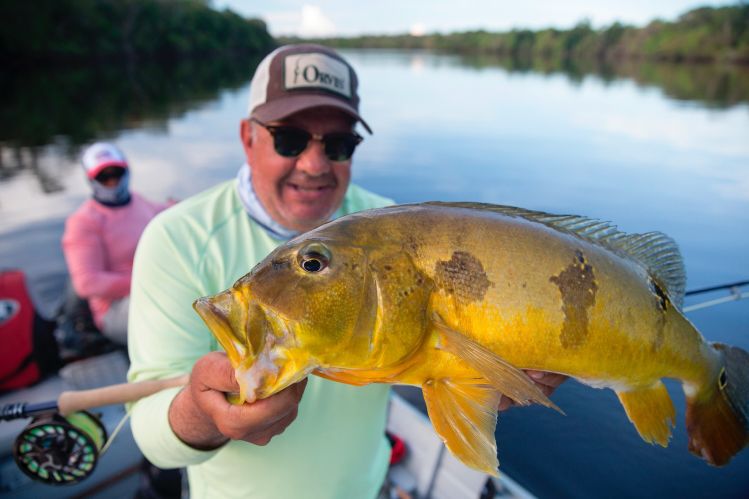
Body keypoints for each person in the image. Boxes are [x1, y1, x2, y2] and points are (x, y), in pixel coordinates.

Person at [127, 44, 566, 499]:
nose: (314, 165)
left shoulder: (394, 226)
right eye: (290, 139)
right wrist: (203, 413)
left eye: (338, 144)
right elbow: (151, 435)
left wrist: (498, 374)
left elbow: (436, 357)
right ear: (247, 137)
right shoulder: (177, 239)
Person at [62, 143, 170, 345]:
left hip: (159, 288)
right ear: (91, 180)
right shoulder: (83, 222)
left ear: (126, 171)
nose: (112, 181)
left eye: (117, 173)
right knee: (174, 311)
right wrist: (149, 282)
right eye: (104, 177)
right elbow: (86, 283)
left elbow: (170, 213)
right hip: (116, 308)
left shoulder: (139, 202)